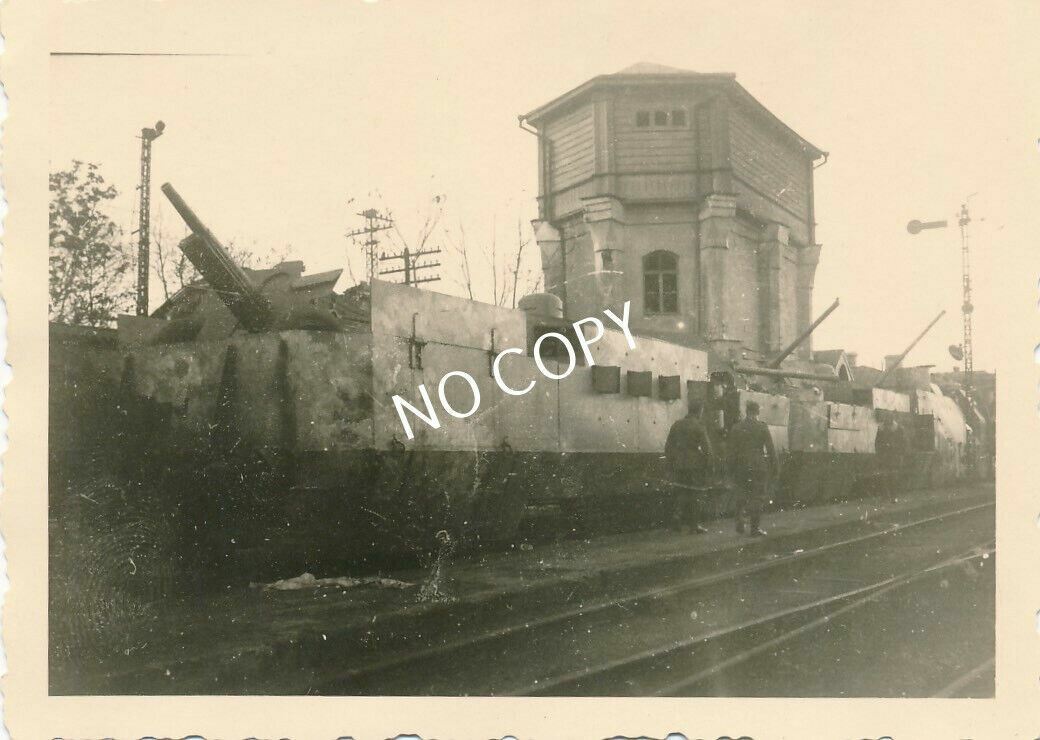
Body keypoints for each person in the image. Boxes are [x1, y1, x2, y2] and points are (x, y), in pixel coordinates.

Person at [664, 399, 715, 534]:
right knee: (696, 494)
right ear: (700, 411)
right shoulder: (699, 426)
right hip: (695, 465)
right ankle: (694, 525)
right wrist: (709, 465)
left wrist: (672, 463)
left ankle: (676, 519)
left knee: (680, 492)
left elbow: (668, 447)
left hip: (679, 464)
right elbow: (707, 449)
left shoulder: (677, 425)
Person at [728, 400, 777, 536]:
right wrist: (775, 467)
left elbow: (731, 451)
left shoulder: (736, 427)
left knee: (741, 493)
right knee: (757, 497)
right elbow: (771, 449)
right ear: (758, 412)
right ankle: (754, 529)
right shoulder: (762, 427)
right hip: (758, 466)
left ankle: (739, 520)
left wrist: (730, 469)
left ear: (746, 411)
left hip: (741, 466)